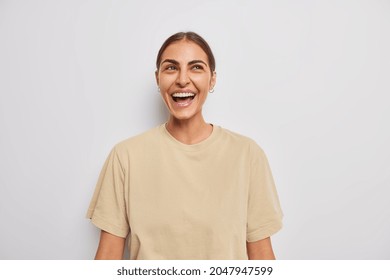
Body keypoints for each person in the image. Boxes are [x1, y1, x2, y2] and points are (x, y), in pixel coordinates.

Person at [86, 31, 283, 260]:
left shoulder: (247, 155)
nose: (182, 79)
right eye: (171, 68)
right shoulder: (125, 157)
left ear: (212, 80)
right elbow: (108, 257)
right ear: (157, 78)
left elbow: (262, 258)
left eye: (196, 67)